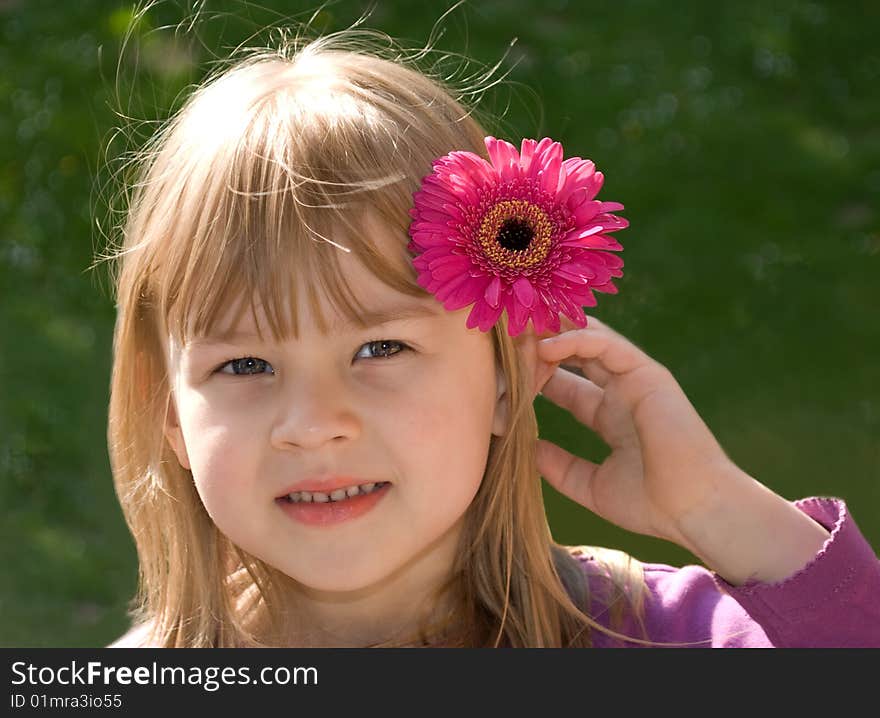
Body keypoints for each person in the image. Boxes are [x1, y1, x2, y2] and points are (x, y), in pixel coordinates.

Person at [102, 24, 880, 648]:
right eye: (245, 363)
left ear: (508, 378)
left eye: (379, 349)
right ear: (169, 410)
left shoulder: (658, 636)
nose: (311, 425)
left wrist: (713, 505)